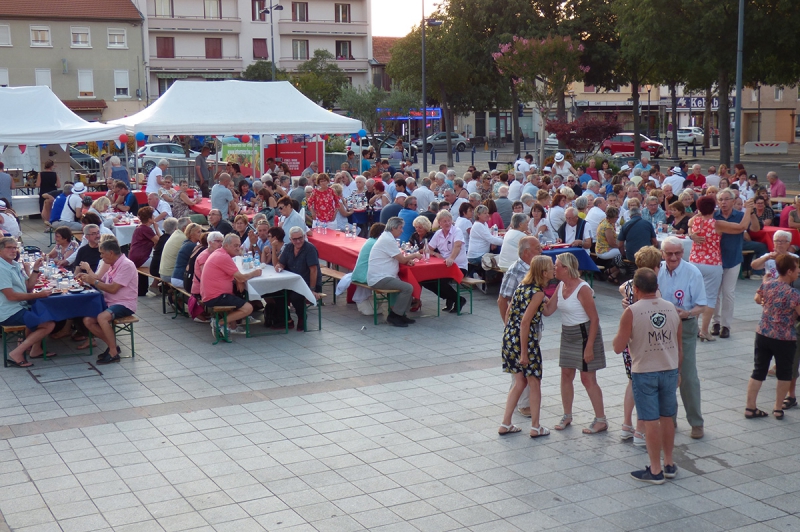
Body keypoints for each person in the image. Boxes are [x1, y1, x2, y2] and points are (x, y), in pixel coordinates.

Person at [613, 268, 682, 484]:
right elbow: (678, 345)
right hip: (669, 369)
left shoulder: (632, 311)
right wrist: (678, 370)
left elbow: (618, 346)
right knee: (667, 418)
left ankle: (654, 469)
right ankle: (669, 463)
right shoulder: (671, 308)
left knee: (650, 421)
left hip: (645, 372)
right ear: (657, 286)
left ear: (636, 288)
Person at [543, 252, 607, 435]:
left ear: (566, 268)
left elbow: (595, 319)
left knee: (587, 378)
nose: (554, 268)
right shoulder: (561, 285)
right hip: (568, 334)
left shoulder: (583, 289)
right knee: (566, 374)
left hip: (585, 333)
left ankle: (601, 419)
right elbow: (548, 311)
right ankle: (567, 414)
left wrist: (589, 347)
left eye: (557, 265)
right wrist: (536, 297)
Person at [498, 255, 554, 438]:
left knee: (519, 382)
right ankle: (535, 426)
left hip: (510, 338)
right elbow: (525, 322)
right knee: (534, 382)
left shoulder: (522, 287)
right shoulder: (537, 293)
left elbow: (546, 311)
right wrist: (524, 352)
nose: (554, 270)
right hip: (526, 341)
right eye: (551, 268)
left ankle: (505, 423)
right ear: (544, 273)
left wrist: (559, 292)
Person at [657, 236, 707, 439]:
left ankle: (696, 422)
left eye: (677, 253)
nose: (673, 257)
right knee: (663, 376)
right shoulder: (656, 269)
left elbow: (701, 305)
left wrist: (687, 313)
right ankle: (670, 420)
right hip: (660, 328)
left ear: (683, 253)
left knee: (687, 376)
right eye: (669, 253)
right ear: (662, 253)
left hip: (684, 326)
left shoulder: (692, 272)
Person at [688, 196, 753, 341]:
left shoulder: (695, 221)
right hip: (712, 263)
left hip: (694, 262)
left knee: (695, 296)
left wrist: (691, 235)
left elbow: (688, 223)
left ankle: (692, 329)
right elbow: (741, 227)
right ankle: (705, 331)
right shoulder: (716, 224)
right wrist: (748, 209)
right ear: (714, 207)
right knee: (710, 298)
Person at [616, 246, 663, 446]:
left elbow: (621, 289)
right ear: (655, 267)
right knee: (646, 386)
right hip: (647, 340)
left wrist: (626, 302)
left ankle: (626, 425)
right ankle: (640, 430)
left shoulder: (628, 285)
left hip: (630, 340)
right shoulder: (653, 288)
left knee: (632, 381)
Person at [748, 253, 800, 421]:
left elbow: (757, 299)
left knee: (758, 370)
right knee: (784, 373)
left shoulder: (768, 285)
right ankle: (777, 408)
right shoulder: (794, 294)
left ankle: (750, 407)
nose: (799, 271)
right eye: (797, 268)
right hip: (784, 337)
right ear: (790, 271)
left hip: (763, 332)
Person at [497, 236, 542, 417]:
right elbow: (502, 300)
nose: (541, 251)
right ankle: (524, 404)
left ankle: (516, 402)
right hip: (521, 329)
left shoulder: (534, 270)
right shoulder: (516, 271)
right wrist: (508, 325)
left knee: (521, 370)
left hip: (532, 328)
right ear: (526, 252)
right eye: (537, 249)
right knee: (523, 369)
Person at [709, 189, 761, 339]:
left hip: (733, 259)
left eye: (726, 199)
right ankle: (715, 322)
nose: (724, 202)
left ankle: (726, 325)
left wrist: (750, 213)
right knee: (714, 293)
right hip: (715, 260)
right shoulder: (714, 216)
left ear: (733, 201)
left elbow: (756, 229)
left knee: (728, 293)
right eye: (721, 200)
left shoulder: (740, 216)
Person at [77, 239, 138, 365]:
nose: (101, 257)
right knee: (87, 320)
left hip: (125, 303)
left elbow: (113, 289)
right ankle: (113, 346)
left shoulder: (126, 265)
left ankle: (113, 352)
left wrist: (93, 281)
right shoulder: (113, 265)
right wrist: (86, 279)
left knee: (102, 318)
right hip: (110, 302)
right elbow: (102, 282)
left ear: (110, 253)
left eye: (102, 253)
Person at [0, 238, 55, 366]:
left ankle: (36, 349)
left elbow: (29, 287)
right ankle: (16, 353)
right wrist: (39, 295)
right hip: (9, 312)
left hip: (21, 306)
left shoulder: (14, 264)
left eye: (15, 248)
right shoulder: (2, 269)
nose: (13, 250)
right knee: (48, 324)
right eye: (10, 247)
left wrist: (35, 269)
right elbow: (11, 296)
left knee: (47, 313)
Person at [201, 234, 261, 335]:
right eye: (235, 246)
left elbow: (236, 276)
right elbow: (241, 277)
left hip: (210, 294)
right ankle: (219, 323)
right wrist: (255, 273)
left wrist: (238, 280)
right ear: (226, 246)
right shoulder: (223, 257)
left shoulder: (220, 253)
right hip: (215, 296)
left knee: (236, 294)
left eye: (239, 246)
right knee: (248, 308)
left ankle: (232, 327)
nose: (238, 248)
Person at [367, 218, 421, 327]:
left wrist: (407, 260)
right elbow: (401, 259)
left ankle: (401, 314)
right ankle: (395, 315)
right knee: (408, 287)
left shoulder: (387, 237)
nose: (402, 231)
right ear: (393, 228)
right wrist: (415, 255)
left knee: (408, 283)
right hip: (379, 278)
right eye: (400, 228)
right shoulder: (388, 239)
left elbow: (398, 257)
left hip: (383, 275)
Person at [275, 227, 324, 331]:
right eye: (295, 239)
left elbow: (314, 270)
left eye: (300, 238)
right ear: (290, 239)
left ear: (304, 237)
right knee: (277, 292)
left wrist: (312, 289)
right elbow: (282, 263)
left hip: (308, 282)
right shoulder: (288, 247)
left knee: (295, 296)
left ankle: (302, 318)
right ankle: (287, 320)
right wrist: (279, 267)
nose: (298, 241)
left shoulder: (310, 249)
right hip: (292, 282)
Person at [425, 211, 468, 312]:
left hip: (458, 266)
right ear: (439, 223)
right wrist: (435, 254)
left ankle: (458, 300)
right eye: (444, 221)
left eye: (449, 221)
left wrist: (451, 258)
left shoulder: (457, 231)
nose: (448, 223)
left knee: (440, 281)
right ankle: (451, 297)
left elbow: (457, 246)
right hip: (443, 266)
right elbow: (427, 248)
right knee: (426, 280)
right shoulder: (438, 233)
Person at [595, 207, 624, 283]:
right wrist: (620, 247)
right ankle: (613, 271)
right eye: (617, 217)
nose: (617, 218)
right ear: (612, 217)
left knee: (622, 254)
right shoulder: (607, 227)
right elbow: (611, 243)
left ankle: (613, 273)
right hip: (604, 251)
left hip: (600, 248)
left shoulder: (604, 222)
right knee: (623, 255)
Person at [158, 217, 191, 282]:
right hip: (170, 275)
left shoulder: (176, 233)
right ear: (185, 228)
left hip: (163, 272)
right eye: (191, 227)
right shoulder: (183, 238)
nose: (193, 228)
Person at [171, 223, 202, 288]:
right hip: (180, 278)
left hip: (176, 276)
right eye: (198, 232)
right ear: (192, 234)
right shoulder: (192, 246)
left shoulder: (186, 242)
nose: (201, 234)